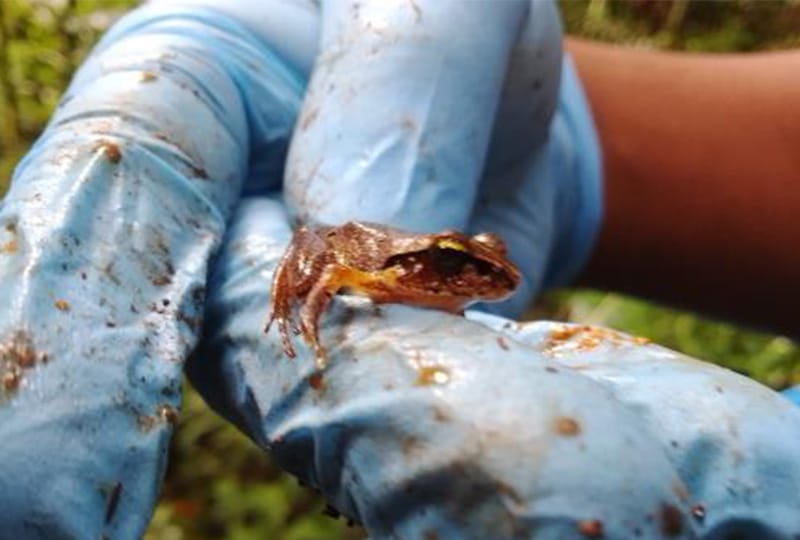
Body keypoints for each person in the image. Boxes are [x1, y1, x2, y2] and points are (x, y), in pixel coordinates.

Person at [0, 1, 798, 538]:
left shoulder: (437, 280)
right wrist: (567, 128)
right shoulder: (397, 268)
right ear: (438, 262)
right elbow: (330, 255)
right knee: (308, 273)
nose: (473, 277)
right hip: (354, 248)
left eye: (473, 268)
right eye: (460, 266)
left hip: (389, 251)